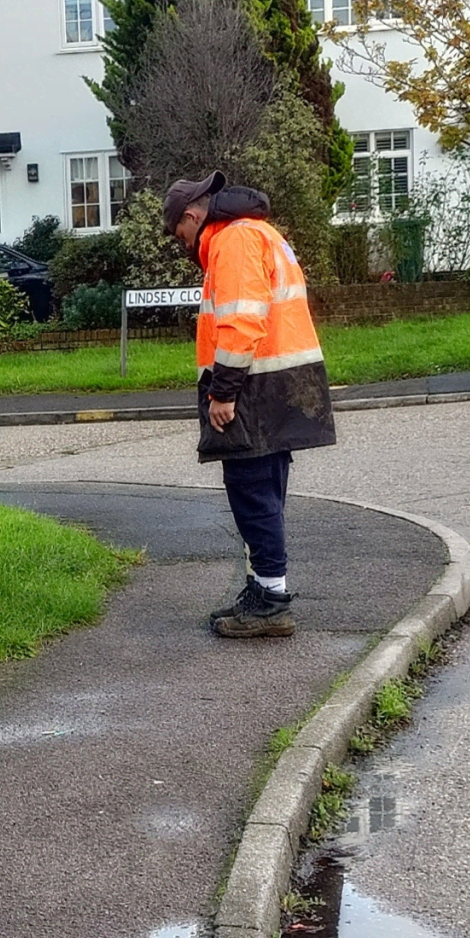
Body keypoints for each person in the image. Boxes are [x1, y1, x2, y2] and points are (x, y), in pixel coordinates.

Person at [163, 170, 336, 639]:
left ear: (194, 215)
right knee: (265, 491)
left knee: (252, 490)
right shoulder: (259, 232)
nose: (183, 244)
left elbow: (241, 321)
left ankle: (271, 602)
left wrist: (223, 392)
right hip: (280, 382)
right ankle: (264, 590)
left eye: (180, 232)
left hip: (254, 386)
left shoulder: (234, 241)